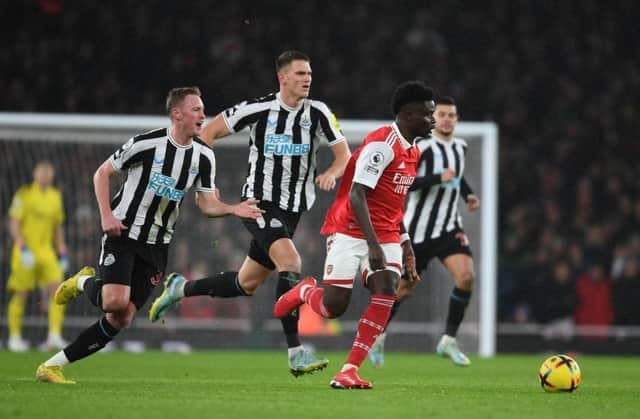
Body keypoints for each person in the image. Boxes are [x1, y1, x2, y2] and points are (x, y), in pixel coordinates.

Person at [35, 86, 264, 384]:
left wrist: (234, 209)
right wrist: (107, 215)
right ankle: (82, 281)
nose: (202, 114)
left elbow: (207, 203)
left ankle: (52, 366)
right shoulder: (147, 143)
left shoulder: (204, 156)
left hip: (158, 244)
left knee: (122, 318)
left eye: (202, 109)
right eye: (195, 109)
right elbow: (102, 173)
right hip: (124, 232)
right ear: (176, 114)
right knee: (114, 303)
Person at [148, 50, 350, 377]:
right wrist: (206, 182)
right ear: (283, 78)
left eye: (309, 73)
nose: (307, 79)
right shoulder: (257, 109)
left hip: (293, 209)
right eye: (300, 74)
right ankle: (296, 351)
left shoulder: (319, 113)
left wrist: (332, 172)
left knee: (246, 284)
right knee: (292, 263)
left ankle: (180, 289)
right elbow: (207, 134)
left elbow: (343, 154)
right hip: (257, 203)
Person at [274, 81, 436, 389]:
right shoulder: (382, 146)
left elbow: (395, 202)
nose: (433, 120)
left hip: (386, 233)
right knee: (334, 307)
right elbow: (357, 195)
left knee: (387, 289)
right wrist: (373, 245)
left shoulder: (414, 149)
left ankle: (348, 370)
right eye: (428, 115)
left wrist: (406, 246)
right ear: (408, 114)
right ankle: (304, 292)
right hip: (349, 229)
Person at [368, 96, 480, 368]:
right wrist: (436, 178)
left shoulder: (461, 147)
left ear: (457, 119)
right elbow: (406, 184)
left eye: (451, 115)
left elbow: (457, 175)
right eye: (441, 114)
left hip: (449, 228)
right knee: (403, 289)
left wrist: (468, 195)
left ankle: (448, 341)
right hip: (417, 232)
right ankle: (376, 336)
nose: (446, 119)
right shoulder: (423, 148)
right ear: (433, 118)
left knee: (466, 277)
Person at [6, 161, 70, 352]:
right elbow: (14, 224)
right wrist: (22, 247)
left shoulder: (55, 196)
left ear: (52, 176)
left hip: (46, 252)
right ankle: (14, 338)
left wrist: (62, 251)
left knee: (58, 292)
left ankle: (54, 336)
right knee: (21, 293)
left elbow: (57, 228)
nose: (45, 176)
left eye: (48, 173)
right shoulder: (24, 194)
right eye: (42, 172)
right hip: (25, 251)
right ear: (35, 174)